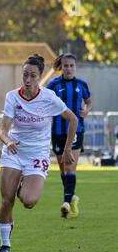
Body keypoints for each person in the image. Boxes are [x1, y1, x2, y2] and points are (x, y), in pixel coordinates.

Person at [0, 54, 78, 252]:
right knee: (6, 201)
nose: (28, 80)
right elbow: (2, 131)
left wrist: (67, 150)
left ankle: (24, 182)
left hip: (37, 154)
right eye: (25, 75)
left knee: (29, 201)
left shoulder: (48, 97)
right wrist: (9, 142)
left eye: (32, 76)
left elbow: (73, 120)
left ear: (40, 77)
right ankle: (5, 245)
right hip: (14, 152)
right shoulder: (12, 96)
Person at [47, 53, 92, 218]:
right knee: (62, 168)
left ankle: (66, 202)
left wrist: (86, 110)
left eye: (71, 65)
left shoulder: (81, 84)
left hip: (76, 130)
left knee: (69, 166)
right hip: (57, 131)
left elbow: (89, 100)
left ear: (76, 67)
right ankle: (72, 198)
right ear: (61, 67)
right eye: (65, 65)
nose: (68, 68)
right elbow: (44, 101)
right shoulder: (53, 85)